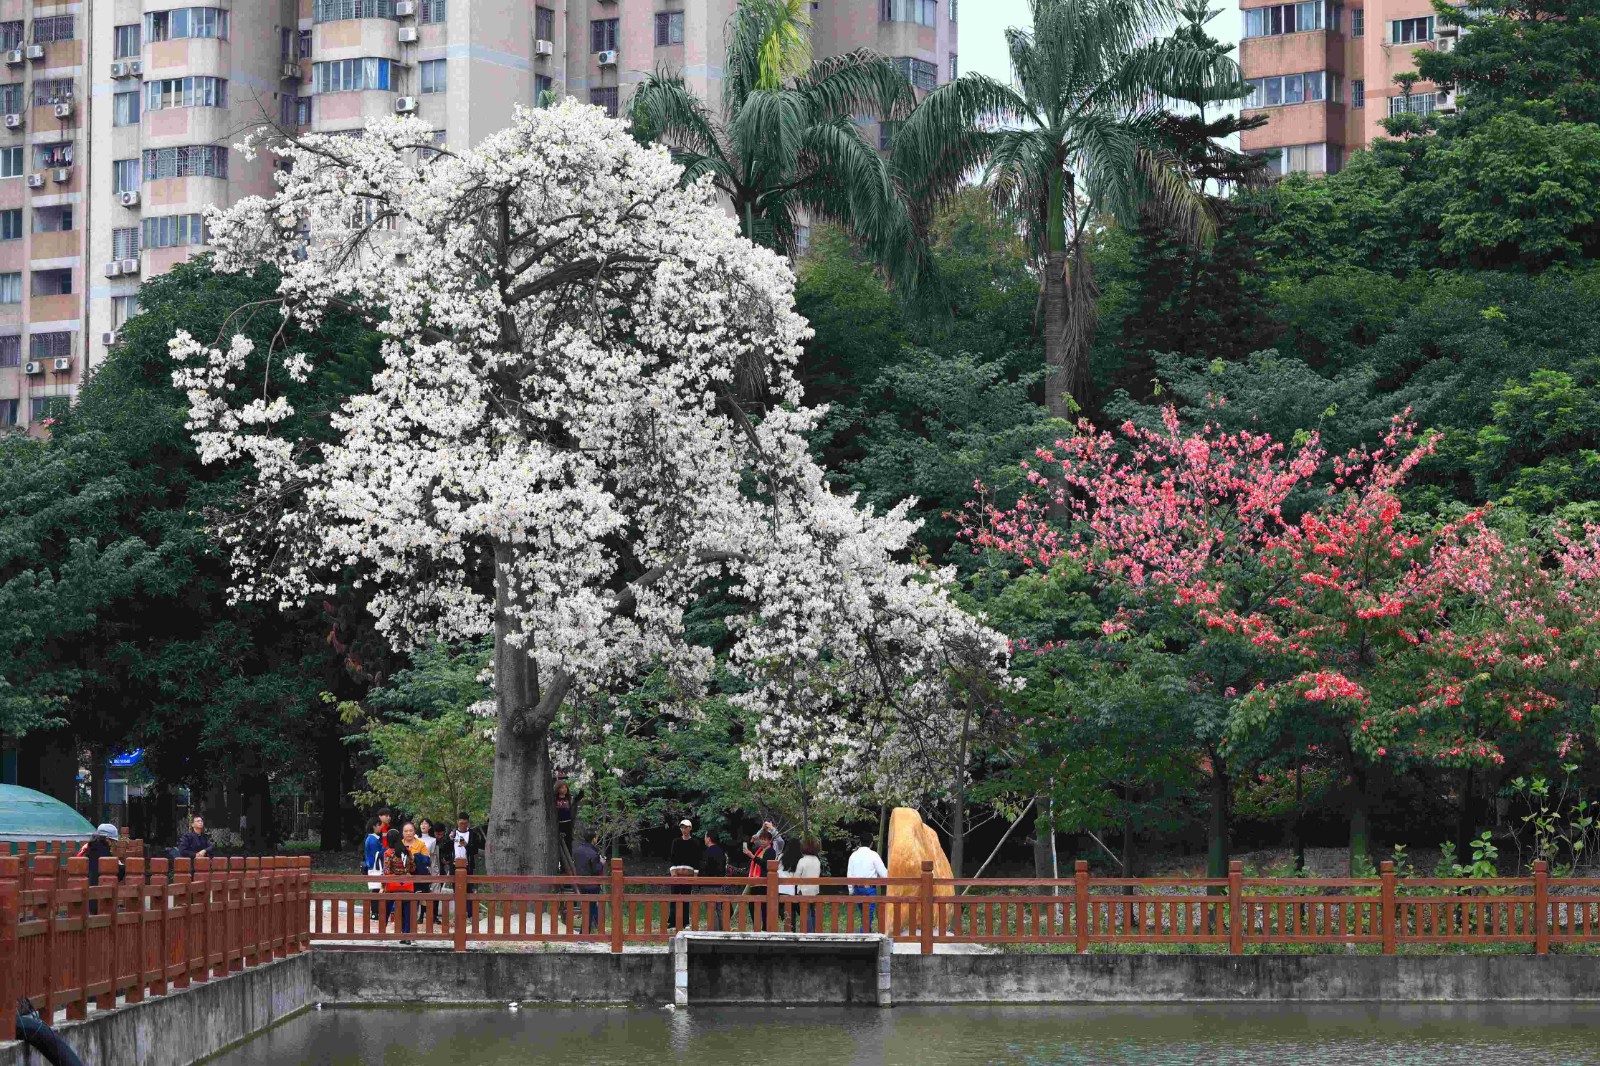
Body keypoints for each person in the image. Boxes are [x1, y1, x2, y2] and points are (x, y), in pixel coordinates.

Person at [667, 818, 704, 931]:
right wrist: (673, 873)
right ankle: (672, 922)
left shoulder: (695, 842)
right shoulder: (676, 841)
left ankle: (685, 922)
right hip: (677, 873)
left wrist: (695, 875)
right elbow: (672, 858)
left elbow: (697, 860)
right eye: (682, 827)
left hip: (688, 874)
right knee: (674, 898)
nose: (684, 829)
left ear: (690, 828)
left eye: (686, 827)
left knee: (686, 898)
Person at [80, 824, 124, 916]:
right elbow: (114, 874)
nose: (114, 844)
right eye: (113, 841)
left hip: (82, 898)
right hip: (98, 899)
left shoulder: (88, 848)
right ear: (107, 840)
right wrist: (121, 866)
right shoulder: (103, 852)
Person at [447, 813, 484, 919]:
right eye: (461, 823)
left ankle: (470, 914)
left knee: (468, 890)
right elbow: (445, 849)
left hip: (468, 865)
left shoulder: (472, 834)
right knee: (456, 889)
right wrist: (450, 839)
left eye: (465, 823)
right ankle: (458, 914)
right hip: (454, 865)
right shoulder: (452, 833)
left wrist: (466, 845)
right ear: (457, 822)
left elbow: (475, 850)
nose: (463, 825)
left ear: (468, 823)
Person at [847, 839, 888, 930]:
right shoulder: (874, 855)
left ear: (860, 843)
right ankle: (863, 938)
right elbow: (884, 874)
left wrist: (851, 890)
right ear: (871, 844)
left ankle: (866, 936)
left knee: (865, 916)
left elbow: (849, 874)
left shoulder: (853, 855)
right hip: (869, 889)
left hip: (857, 889)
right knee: (867, 917)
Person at [571, 827, 606, 934]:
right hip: (591, 885)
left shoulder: (577, 851)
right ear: (594, 839)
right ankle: (584, 934)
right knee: (589, 910)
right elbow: (596, 870)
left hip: (581, 884)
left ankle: (587, 932)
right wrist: (601, 863)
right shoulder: (593, 853)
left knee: (587, 909)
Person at [742, 828, 778, 931]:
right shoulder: (759, 851)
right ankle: (756, 928)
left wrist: (753, 857)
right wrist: (751, 843)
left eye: (765, 839)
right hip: (755, 882)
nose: (762, 841)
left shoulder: (771, 851)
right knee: (752, 906)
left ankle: (765, 928)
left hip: (763, 883)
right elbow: (748, 853)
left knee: (763, 907)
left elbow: (765, 864)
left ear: (769, 841)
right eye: (761, 839)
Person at [381, 836, 415, 943]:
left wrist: (383, 886)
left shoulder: (388, 853)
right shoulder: (408, 852)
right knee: (407, 912)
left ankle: (382, 932)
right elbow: (413, 868)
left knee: (386, 909)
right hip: (407, 886)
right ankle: (406, 935)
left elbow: (386, 871)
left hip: (392, 886)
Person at [697, 830, 730, 931]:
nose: (704, 839)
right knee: (718, 909)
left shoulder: (707, 852)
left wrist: (699, 880)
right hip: (719, 884)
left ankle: (714, 932)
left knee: (711, 910)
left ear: (709, 838)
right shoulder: (721, 852)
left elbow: (704, 868)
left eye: (705, 837)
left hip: (708, 884)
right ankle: (722, 931)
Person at [403, 822, 433, 930]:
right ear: (402, 833)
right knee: (406, 902)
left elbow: (427, 860)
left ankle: (421, 920)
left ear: (414, 831)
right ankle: (406, 925)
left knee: (422, 898)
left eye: (410, 831)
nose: (408, 833)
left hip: (419, 876)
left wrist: (416, 857)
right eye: (406, 831)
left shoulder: (420, 844)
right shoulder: (400, 844)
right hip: (404, 877)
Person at [796, 837, 823, 933]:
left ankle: (809, 932)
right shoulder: (817, 860)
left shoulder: (802, 860)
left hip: (804, 890)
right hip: (815, 890)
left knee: (805, 913)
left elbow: (796, 877)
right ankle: (814, 931)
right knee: (812, 912)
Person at [777, 837, 802, 931]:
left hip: (780, 889)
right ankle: (792, 931)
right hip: (792, 890)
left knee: (784, 913)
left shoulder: (781, 857)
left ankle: (787, 929)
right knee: (792, 913)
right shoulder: (800, 859)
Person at [363, 821, 386, 921]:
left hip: (375, 867)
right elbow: (376, 854)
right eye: (379, 825)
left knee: (377, 889)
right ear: (374, 826)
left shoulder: (373, 838)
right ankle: (375, 913)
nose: (380, 827)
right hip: (375, 868)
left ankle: (376, 912)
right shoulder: (372, 840)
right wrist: (386, 849)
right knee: (376, 889)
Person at [554, 781, 574, 859]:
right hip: (558, 824)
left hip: (568, 823)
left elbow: (575, 804)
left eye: (565, 787)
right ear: (558, 789)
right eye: (562, 787)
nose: (564, 789)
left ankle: (570, 860)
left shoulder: (569, 798)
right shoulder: (555, 799)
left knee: (568, 842)